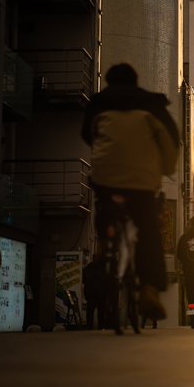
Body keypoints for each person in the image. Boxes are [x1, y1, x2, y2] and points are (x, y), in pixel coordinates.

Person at [81, 63, 179, 321]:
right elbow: (171, 139)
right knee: (147, 230)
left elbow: (86, 135)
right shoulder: (152, 105)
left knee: (105, 212)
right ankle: (148, 289)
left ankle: (108, 246)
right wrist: (166, 169)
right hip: (141, 181)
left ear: (109, 82)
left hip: (106, 177)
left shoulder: (99, 103)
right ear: (136, 82)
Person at [82, 253, 107, 329]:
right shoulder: (103, 268)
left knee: (90, 312)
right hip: (99, 294)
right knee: (100, 312)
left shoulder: (87, 268)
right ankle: (100, 327)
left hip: (91, 294)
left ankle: (89, 327)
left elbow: (84, 281)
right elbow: (106, 281)